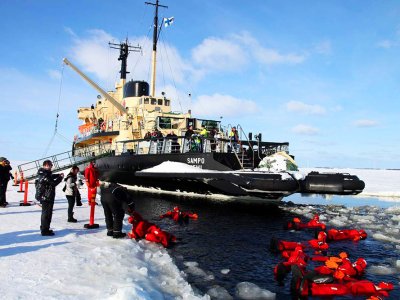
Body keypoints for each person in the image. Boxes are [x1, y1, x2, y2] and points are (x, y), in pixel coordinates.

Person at [35, 160, 64, 236]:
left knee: (47, 213)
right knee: (47, 214)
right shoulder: (45, 175)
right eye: (46, 166)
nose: (48, 167)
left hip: (46, 196)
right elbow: (53, 183)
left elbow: (51, 176)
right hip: (46, 197)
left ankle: (45, 228)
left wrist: (58, 175)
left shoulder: (45, 173)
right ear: (44, 166)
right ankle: (45, 231)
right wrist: (60, 178)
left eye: (49, 165)